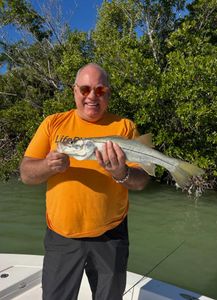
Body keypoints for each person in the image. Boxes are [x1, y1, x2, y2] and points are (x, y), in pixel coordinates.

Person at [20, 63, 149, 300]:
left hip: (111, 236)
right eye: (85, 89)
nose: (92, 96)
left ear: (108, 94)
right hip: (62, 237)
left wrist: (122, 173)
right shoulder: (52, 123)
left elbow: (141, 181)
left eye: (99, 90)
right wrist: (47, 166)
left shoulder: (125, 127)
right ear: (74, 90)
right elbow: (26, 174)